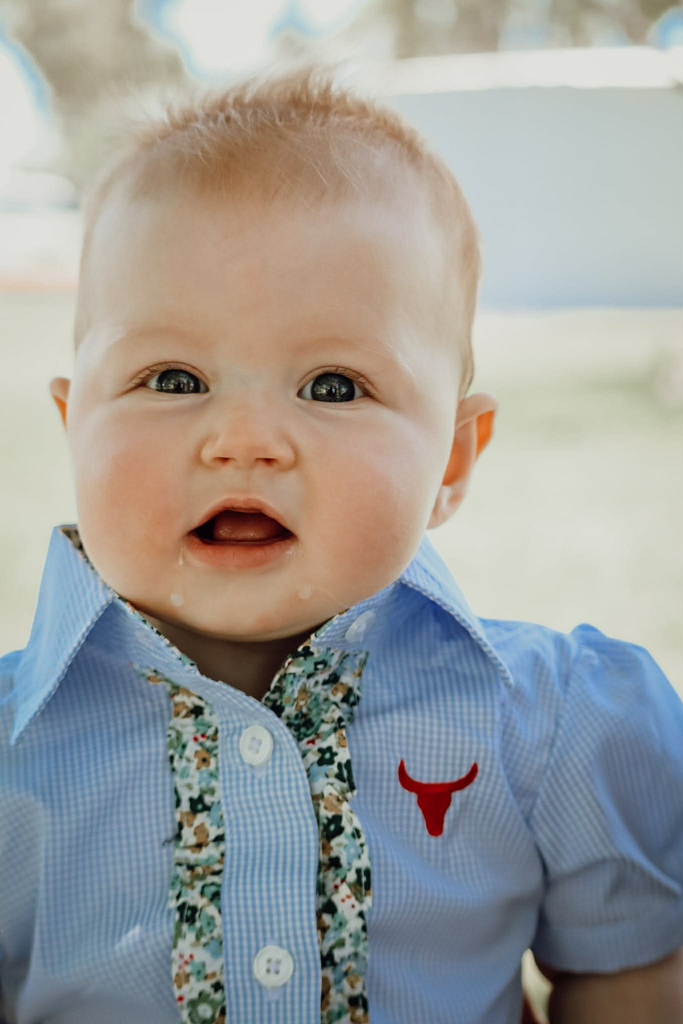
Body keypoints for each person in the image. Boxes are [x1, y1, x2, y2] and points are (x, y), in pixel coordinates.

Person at [1, 61, 681, 1024]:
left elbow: (631, 979)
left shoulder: (549, 726)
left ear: (450, 461)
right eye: (171, 377)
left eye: (331, 387)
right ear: (75, 428)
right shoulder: (15, 754)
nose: (241, 439)